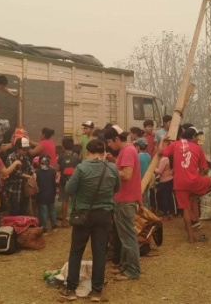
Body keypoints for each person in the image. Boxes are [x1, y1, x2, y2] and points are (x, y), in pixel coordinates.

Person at [59, 140, 120, 302]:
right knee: (99, 252)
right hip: (105, 215)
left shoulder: (82, 168)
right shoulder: (112, 168)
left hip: (83, 215)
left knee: (76, 250)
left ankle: (71, 289)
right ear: (104, 152)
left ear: (87, 152)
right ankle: (97, 292)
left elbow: (69, 189)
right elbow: (117, 188)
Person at [161, 126, 211, 243]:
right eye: (197, 136)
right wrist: (200, 178)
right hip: (194, 180)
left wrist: (162, 140)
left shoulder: (175, 144)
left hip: (179, 182)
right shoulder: (197, 148)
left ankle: (191, 237)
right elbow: (203, 168)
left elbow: (161, 152)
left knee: (186, 210)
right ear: (193, 137)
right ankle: (195, 197)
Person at [105, 125, 141, 281]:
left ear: (116, 139)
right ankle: (125, 267)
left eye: (110, 142)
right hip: (124, 198)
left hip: (125, 200)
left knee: (128, 237)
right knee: (125, 236)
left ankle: (132, 271)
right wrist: (113, 162)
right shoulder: (127, 150)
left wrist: (108, 169)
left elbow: (126, 174)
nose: (109, 146)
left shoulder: (127, 151)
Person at [4, 137, 33, 216]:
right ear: (17, 148)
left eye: (26, 150)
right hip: (14, 189)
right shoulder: (11, 157)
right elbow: (14, 173)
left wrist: (34, 174)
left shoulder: (26, 158)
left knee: (23, 209)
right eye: (23, 150)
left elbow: (31, 168)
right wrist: (27, 176)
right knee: (14, 210)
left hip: (24, 189)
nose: (25, 152)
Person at [58, 137, 80, 228]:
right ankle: (77, 218)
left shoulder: (61, 156)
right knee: (76, 201)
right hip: (74, 181)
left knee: (64, 201)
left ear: (63, 146)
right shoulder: (75, 155)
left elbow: (59, 167)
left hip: (64, 182)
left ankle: (64, 222)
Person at [36, 155, 58, 233]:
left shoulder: (37, 172)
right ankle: (54, 225)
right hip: (51, 193)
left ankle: (44, 228)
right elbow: (55, 183)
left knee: (43, 212)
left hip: (41, 195)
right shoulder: (52, 172)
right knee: (52, 210)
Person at [154, 154, 174, 220]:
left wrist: (153, 167)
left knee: (164, 198)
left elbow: (159, 171)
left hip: (164, 181)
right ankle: (170, 214)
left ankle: (165, 215)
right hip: (171, 179)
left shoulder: (164, 159)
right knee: (169, 197)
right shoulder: (171, 158)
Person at [135, 138, 152, 209]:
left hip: (140, 180)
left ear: (138, 147)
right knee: (146, 195)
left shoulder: (137, 156)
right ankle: (147, 209)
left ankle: (145, 212)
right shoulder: (148, 156)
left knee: (141, 197)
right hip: (147, 179)